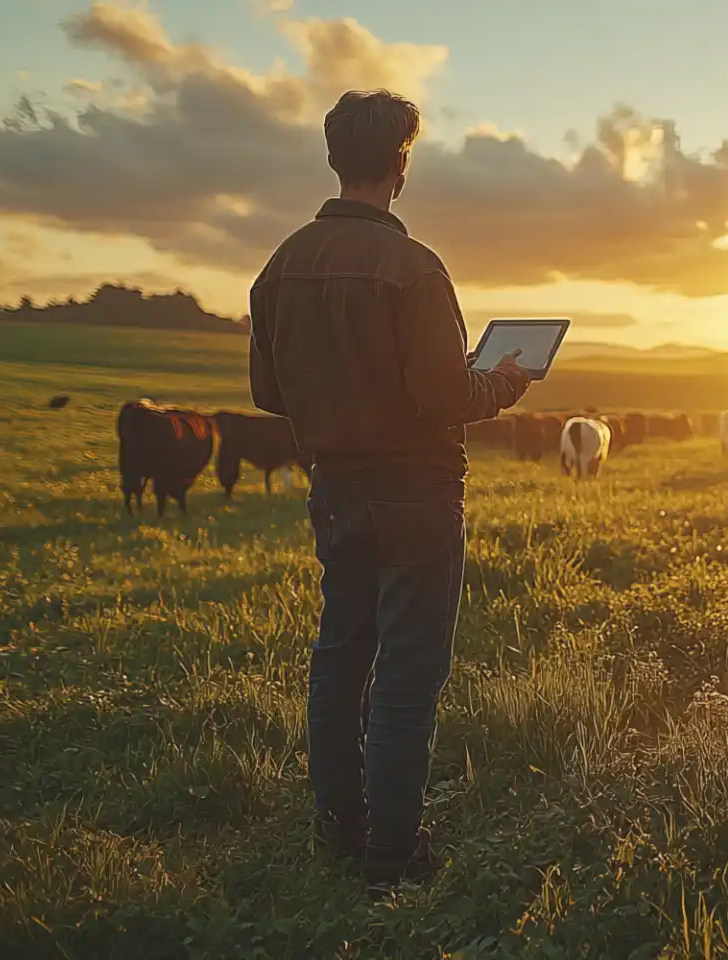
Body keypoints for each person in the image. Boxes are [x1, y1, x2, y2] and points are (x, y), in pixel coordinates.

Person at [247, 88, 532, 888]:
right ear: (400, 166)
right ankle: (393, 856)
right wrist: (502, 384)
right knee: (407, 674)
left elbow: (269, 393)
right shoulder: (414, 268)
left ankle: (339, 829)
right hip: (416, 493)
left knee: (339, 659)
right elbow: (447, 399)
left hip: (334, 488)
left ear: (336, 159)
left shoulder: (279, 265)